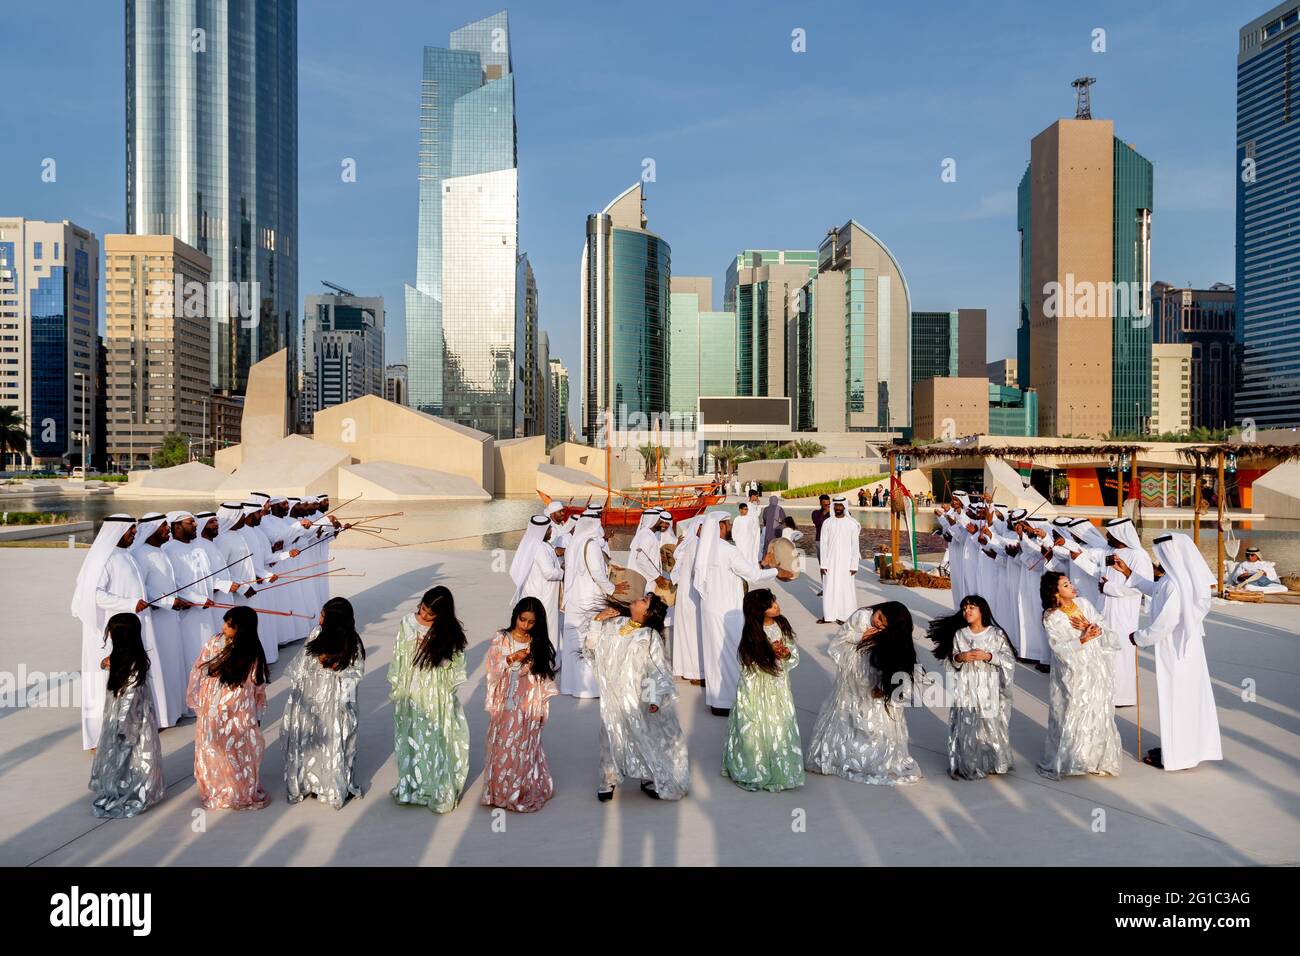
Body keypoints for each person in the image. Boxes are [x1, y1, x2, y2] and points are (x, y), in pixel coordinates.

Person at [1114, 534, 1223, 772]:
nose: (1158, 558)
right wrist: (1129, 574)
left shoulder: (1175, 583)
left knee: (1178, 700)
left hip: (1177, 650)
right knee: (1181, 700)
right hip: (1180, 649)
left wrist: (1139, 637)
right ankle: (1177, 749)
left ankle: (1178, 756)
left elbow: (1166, 623)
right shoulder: (1175, 580)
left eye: (1161, 553)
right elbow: (1155, 589)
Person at [586, 593, 689, 801]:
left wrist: (654, 699)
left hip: (637, 698)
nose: (639, 599)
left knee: (642, 736)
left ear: (648, 612)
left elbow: (657, 669)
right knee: (610, 735)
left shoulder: (649, 636)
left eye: (644, 600)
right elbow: (592, 649)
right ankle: (608, 779)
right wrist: (597, 622)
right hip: (612, 696)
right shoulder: (615, 623)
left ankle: (648, 776)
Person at [805, 602, 922, 785]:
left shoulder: (894, 631)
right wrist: (860, 636)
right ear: (879, 609)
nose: (879, 625)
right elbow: (838, 642)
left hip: (876, 678)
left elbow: (898, 662)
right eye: (880, 618)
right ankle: (846, 756)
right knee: (850, 716)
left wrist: (885, 686)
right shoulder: (861, 616)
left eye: (884, 625)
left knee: (874, 721)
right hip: (853, 681)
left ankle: (873, 756)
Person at [695, 510, 796, 715]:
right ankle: (732, 701)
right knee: (733, 653)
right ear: (720, 527)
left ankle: (718, 701)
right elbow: (753, 575)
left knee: (715, 654)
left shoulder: (705, 549)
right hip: (728, 610)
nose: (730, 527)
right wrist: (777, 571)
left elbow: (740, 571)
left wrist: (762, 564)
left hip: (709, 608)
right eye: (728, 524)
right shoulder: (727, 550)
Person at [389, 586, 471, 812]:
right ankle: (414, 783)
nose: (424, 616)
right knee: (413, 734)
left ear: (441, 616)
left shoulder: (447, 632)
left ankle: (436, 785)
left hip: (436, 693)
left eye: (430, 614)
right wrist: (399, 688)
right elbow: (398, 656)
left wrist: (435, 652)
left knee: (436, 735)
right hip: (412, 688)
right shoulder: (407, 622)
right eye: (423, 609)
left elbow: (454, 665)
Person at [1036, 571, 1124, 780]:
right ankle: (1073, 759)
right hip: (1072, 672)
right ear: (1055, 592)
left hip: (1095, 666)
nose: (1072, 586)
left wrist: (1091, 628)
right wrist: (1083, 639)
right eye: (1066, 585)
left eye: (1069, 583)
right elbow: (1058, 648)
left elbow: (1105, 629)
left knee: (1097, 709)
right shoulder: (1052, 617)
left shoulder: (1083, 604)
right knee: (1073, 710)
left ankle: (1096, 759)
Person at [72, 514, 149, 750]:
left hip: (126, 629)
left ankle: (122, 729)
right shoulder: (102, 558)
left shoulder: (125, 555)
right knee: (103, 681)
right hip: (104, 631)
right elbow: (93, 595)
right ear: (117, 531)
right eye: (130, 530)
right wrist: (129, 604)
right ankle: (98, 735)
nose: (134, 533)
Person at [282, 597, 366, 808]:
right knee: (309, 740)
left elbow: (354, 675)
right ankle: (308, 781)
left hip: (333, 703)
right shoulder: (316, 634)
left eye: (323, 615)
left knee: (331, 740)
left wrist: (334, 667)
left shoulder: (352, 642)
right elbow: (301, 666)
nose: (319, 618)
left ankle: (330, 786)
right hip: (311, 699)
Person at [187, 606, 271, 810]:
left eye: (229, 625)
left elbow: (256, 685)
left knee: (237, 750)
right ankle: (216, 787)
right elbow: (200, 667)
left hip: (237, 713)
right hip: (213, 708)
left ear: (241, 629)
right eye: (225, 622)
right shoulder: (215, 642)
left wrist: (254, 712)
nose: (224, 627)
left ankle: (238, 788)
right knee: (212, 748)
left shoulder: (251, 653)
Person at [721, 589, 804, 792]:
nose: (776, 606)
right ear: (759, 611)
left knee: (779, 724)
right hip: (757, 687)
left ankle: (780, 767)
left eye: (774, 601)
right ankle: (754, 766)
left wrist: (785, 655)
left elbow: (792, 652)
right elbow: (747, 664)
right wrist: (769, 656)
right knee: (754, 724)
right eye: (770, 605)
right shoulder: (752, 634)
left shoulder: (781, 625)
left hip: (778, 685)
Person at [482, 596, 559, 812]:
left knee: (523, 745)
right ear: (515, 615)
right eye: (522, 619)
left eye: (530, 622)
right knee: (503, 744)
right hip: (506, 700)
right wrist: (510, 659)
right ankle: (499, 792)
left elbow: (544, 678)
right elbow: (491, 668)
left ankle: (519, 790)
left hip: (528, 703)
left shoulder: (537, 643)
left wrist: (541, 707)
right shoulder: (502, 639)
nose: (525, 625)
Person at [928, 596, 1015, 780]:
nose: (967, 611)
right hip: (966, 688)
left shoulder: (996, 634)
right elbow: (951, 661)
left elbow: (1008, 660)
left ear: (982, 610)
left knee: (990, 723)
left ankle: (993, 761)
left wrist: (989, 656)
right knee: (967, 723)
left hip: (989, 687)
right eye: (964, 608)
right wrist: (960, 658)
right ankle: (969, 762)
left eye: (971, 607)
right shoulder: (960, 634)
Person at [88, 613, 164, 818]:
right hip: (119, 717)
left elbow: (130, 701)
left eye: (112, 633)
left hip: (132, 721)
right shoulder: (123, 657)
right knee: (120, 757)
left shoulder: (134, 665)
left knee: (132, 756)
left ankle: (131, 789)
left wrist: (123, 728)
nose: (109, 637)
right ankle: (120, 783)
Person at [130, 513, 192, 727]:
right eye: (164, 526)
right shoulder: (140, 554)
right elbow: (142, 590)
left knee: (173, 663)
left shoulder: (161, 551)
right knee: (158, 667)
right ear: (151, 529)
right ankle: (158, 716)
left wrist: (176, 600)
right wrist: (167, 602)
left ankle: (173, 711)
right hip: (155, 622)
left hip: (170, 620)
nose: (168, 530)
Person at [559, 508, 627, 696]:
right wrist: (613, 589)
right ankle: (588, 687)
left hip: (575, 598)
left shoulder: (575, 542)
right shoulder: (592, 544)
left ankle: (572, 685)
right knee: (590, 638)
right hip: (589, 598)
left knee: (575, 640)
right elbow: (597, 572)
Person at [1092, 517, 1152, 706]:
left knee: (1121, 651)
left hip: (1123, 612)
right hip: (1105, 608)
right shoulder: (1109, 551)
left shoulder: (1139, 556)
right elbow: (1102, 572)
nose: (1107, 535)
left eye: (1110, 532)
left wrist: (1110, 588)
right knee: (1103, 650)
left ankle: (1122, 696)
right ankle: (1105, 692)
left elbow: (1140, 586)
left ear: (1121, 534)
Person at [161, 511, 220, 679]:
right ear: (176, 526)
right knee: (193, 654)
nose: (195, 525)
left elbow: (207, 577)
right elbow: (174, 585)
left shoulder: (198, 547)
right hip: (188, 614)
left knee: (208, 651)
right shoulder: (169, 550)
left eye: (194, 522)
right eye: (190, 523)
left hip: (207, 610)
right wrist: (198, 599)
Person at [509, 514, 564, 650]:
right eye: (549, 528)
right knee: (546, 629)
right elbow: (549, 573)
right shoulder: (540, 547)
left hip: (534, 593)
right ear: (543, 530)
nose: (551, 530)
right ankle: (547, 661)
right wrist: (563, 573)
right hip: (544, 597)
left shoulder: (532, 544)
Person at [669, 516, 705, 683]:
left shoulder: (687, 545)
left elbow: (675, 573)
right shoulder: (697, 545)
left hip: (684, 595)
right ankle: (696, 673)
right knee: (695, 633)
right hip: (693, 597)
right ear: (698, 528)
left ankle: (685, 669)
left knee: (685, 632)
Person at [817, 496, 861, 625]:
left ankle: (845, 616)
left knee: (845, 588)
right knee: (829, 587)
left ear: (844, 507)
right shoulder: (827, 523)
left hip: (846, 563)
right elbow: (823, 544)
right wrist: (823, 563)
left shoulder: (852, 524)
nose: (838, 508)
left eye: (840, 506)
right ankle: (828, 616)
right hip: (830, 562)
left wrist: (854, 565)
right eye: (836, 505)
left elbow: (855, 546)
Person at [629, 510, 670, 597]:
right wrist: (657, 577)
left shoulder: (645, 534)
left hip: (645, 578)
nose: (661, 522)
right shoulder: (647, 536)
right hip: (645, 580)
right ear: (653, 520)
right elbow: (641, 560)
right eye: (659, 520)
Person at [730, 501, 762, 565]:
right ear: (740, 510)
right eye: (745, 509)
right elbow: (734, 530)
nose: (746, 511)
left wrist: (752, 537)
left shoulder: (750, 518)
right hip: (740, 541)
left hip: (749, 541)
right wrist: (735, 539)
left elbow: (753, 528)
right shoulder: (737, 519)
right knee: (741, 555)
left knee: (749, 555)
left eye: (747, 509)